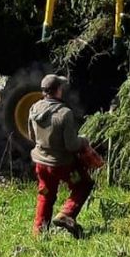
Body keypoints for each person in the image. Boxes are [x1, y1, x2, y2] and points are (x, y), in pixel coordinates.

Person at [28, 73, 97, 237]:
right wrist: (84, 140)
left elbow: (31, 136)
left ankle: (39, 232)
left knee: (45, 193)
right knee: (83, 185)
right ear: (58, 90)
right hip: (62, 164)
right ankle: (66, 213)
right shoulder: (65, 113)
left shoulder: (34, 108)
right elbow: (71, 145)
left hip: (41, 164)